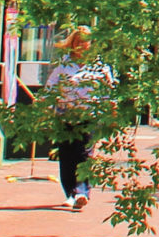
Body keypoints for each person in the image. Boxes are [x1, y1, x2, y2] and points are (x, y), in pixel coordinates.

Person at [41, 29, 114, 212]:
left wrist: (110, 111)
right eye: (78, 41)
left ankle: (81, 192)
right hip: (66, 115)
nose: (81, 45)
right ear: (72, 44)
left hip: (89, 116)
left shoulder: (99, 67)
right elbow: (50, 88)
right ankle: (71, 194)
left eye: (85, 41)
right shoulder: (63, 65)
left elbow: (108, 91)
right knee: (67, 156)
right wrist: (47, 109)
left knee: (84, 154)